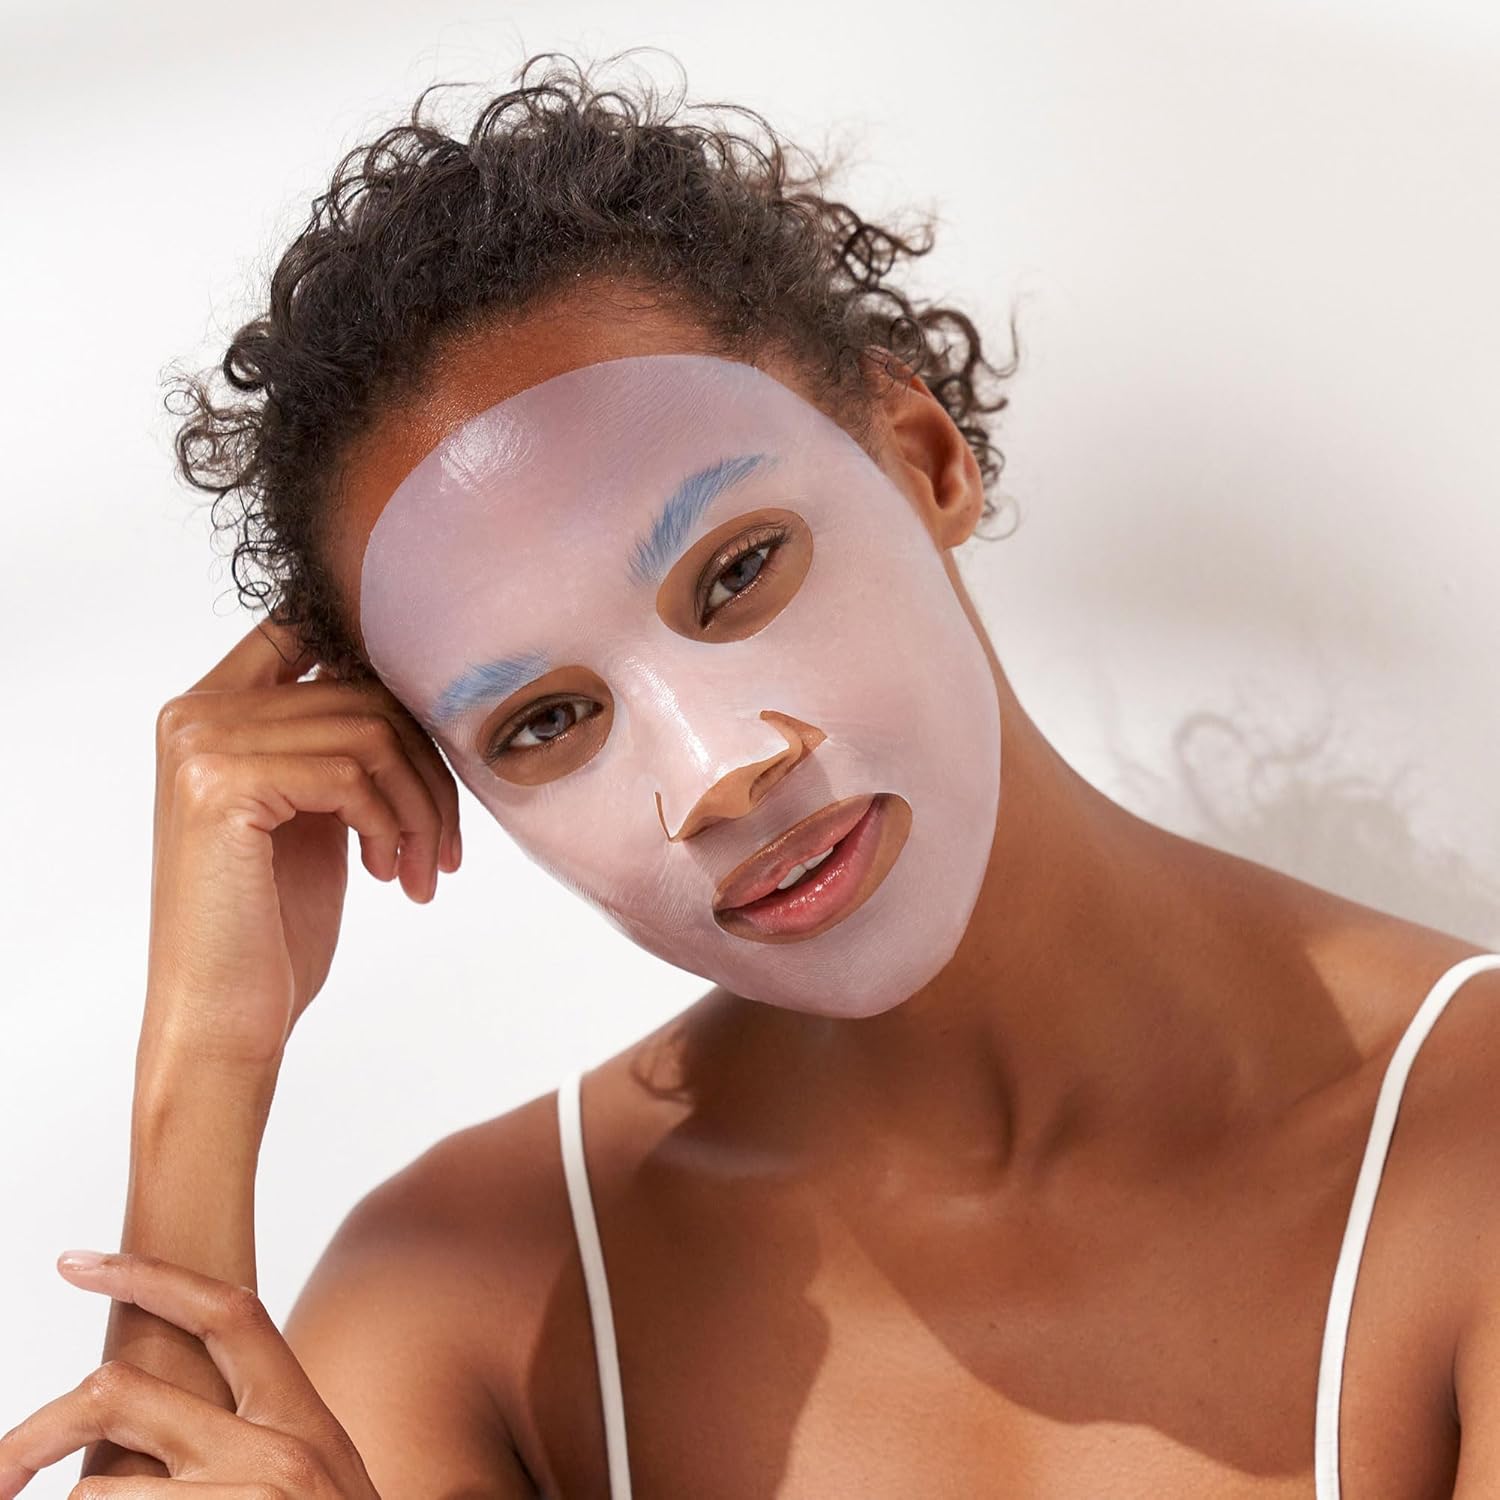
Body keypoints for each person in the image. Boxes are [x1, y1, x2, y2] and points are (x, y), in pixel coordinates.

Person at [3, 50, 1498, 1500]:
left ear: (922, 454)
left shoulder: (1467, 1143)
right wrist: (204, 1061)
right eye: (544, 721)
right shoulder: (477, 1302)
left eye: (735, 573)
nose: (718, 775)